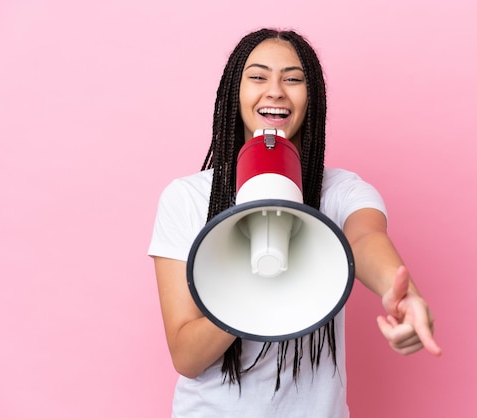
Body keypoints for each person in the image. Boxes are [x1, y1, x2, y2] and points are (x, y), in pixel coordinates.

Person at [148, 28, 442, 418]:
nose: (275, 91)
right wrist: (258, 283)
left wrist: (403, 295)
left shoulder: (342, 192)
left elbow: (365, 238)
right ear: (234, 92)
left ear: (313, 97)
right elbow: (187, 356)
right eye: (257, 77)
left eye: (293, 78)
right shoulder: (186, 198)